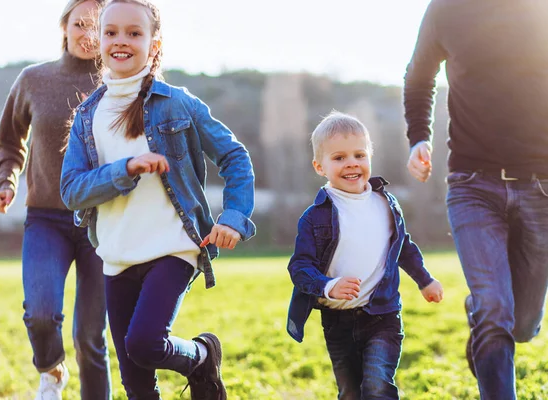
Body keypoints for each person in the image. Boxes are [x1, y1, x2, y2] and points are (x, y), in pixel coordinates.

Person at [59, 0, 255, 399]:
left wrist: (234, 216)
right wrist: (125, 169)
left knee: (145, 343)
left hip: (173, 247)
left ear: (155, 43)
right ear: (98, 40)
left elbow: (234, 156)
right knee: (135, 382)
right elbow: (71, 190)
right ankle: (200, 361)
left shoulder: (178, 103)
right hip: (116, 256)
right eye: (111, 32)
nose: (121, 41)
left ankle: (200, 356)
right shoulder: (87, 116)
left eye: (134, 33)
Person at [404, 1, 548, 398]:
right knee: (494, 307)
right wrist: (418, 137)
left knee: (523, 324)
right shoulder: (446, 10)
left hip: (541, 185)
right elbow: (419, 77)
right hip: (472, 184)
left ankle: (483, 316)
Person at [0, 1, 111, 399]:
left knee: (90, 337)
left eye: (99, 26)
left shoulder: (119, 85)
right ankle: (51, 370)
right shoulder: (33, 79)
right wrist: (6, 181)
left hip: (102, 222)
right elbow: (10, 141)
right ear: (64, 26)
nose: (89, 34)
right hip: (45, 218)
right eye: (80, 24)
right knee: (41, 313)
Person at [286, 111, 443, 400]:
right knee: (350, 393)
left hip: (382, 315)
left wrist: (425, 280)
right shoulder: (314, 218)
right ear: (320, 166)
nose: (351, 164)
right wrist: (328, 285)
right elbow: (299, 266)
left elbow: (403, 247)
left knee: (377, 387)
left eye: (359, 155)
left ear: (370, 156)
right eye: (339, 158)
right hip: (337, 319)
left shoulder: (386, 204)